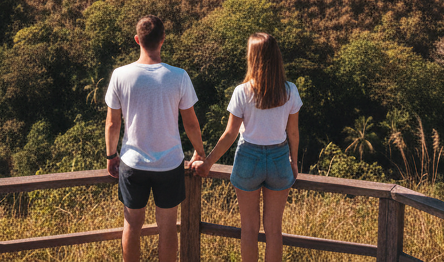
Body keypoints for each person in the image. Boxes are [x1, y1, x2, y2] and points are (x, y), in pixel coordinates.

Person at [105, 15, 206, 262]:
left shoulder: (120, 75)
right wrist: (200, 152)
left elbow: (112, 123)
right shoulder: (178, 76)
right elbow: (190, 122)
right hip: (169, 163)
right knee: (168, 227)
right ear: (163, 40)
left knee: (132, 224)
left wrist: (111, 155)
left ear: (137, 40)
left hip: (132, 162)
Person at [192, 33, 300, 262]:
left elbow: (230, 134)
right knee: (274, 231)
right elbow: (293, 133)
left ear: (253, 58)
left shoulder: (242, 92)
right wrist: (294, 161)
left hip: (248, 157)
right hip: (279, 157)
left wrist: (208, 163)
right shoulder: (290, 90)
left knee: (249, 229)